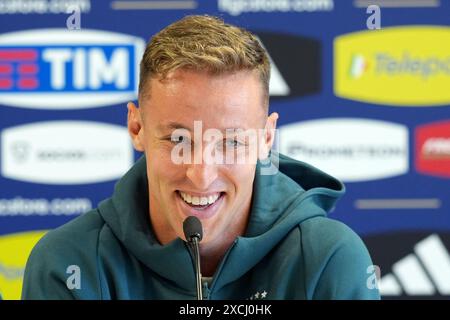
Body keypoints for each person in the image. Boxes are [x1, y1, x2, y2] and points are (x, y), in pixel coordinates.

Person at [22, 15, 380, 300]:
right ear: (136, 128)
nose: (201, 175)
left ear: (266, 138)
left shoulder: (329, 259)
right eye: (179, 139)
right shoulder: (68, 262)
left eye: (230, 142)